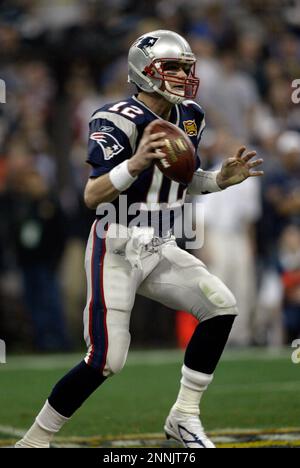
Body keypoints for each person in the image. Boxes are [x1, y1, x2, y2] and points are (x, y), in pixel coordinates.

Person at [16, 30, 263, 449]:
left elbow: (180, 183)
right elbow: (93, 194)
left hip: (159, 243)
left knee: (221, 307)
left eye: (188, 68)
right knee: (106, 361)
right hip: (115, 243)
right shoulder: (115, 118)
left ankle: (183, 416)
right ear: (144, 71)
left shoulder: (190, 117)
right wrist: (133, 162)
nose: (184, 76)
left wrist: (219, 180)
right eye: (174, 68)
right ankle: (34, 441)